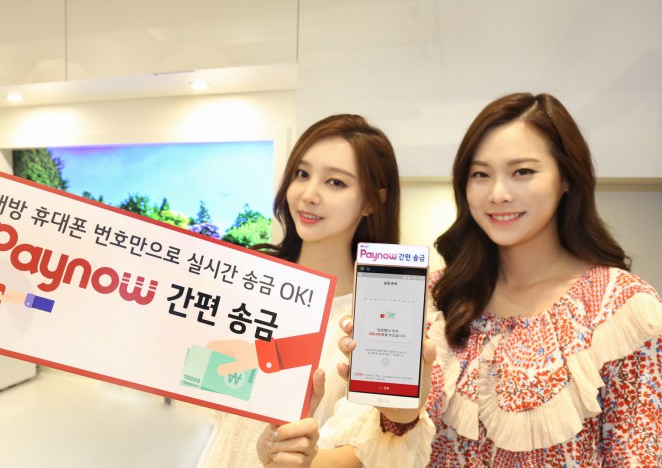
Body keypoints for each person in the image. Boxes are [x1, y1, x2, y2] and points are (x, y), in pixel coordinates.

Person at [324, 92, 662, 467]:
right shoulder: (436, 296)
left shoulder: (622, 308)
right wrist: (400, 411)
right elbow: (396, 450)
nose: (498, 194)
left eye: (522, 172)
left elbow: (639, 454)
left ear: (566, 177)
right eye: (481, 175)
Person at [196, 113, 401, 467]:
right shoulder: (249, 282)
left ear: (372, 201)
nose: (308, 195)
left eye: (335, 182)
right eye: (302, 174)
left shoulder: (377, 317)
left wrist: (286, 452)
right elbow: (208, 391)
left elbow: (364, 449)